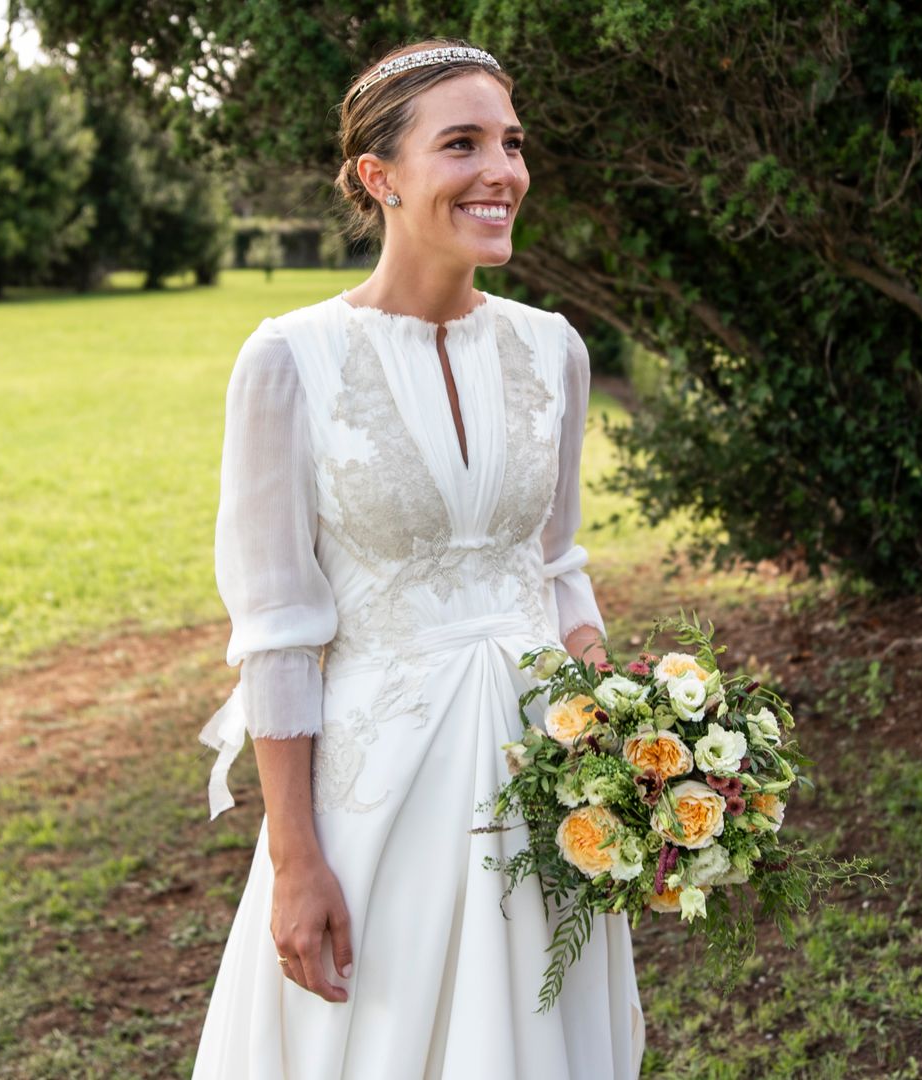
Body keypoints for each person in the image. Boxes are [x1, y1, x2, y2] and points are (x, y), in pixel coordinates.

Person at [191, 36, 645, 1080]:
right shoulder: (288, 362)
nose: (503, 172)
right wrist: (294, 857)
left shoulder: (554, 349)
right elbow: (276, 633)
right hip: (380, 800)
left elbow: (555, 559)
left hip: (547, 782)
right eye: (463, 144)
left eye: (513, 143)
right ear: (379, 177)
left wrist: (627, 722)